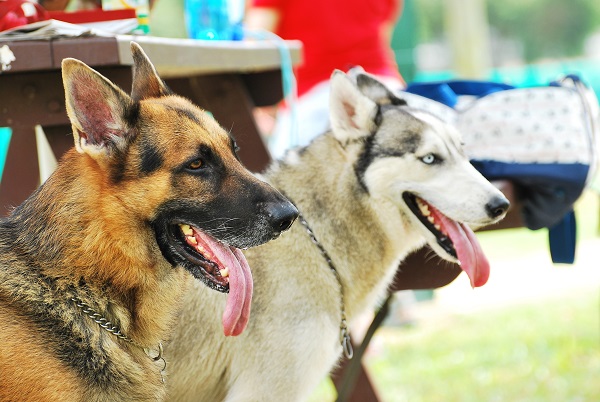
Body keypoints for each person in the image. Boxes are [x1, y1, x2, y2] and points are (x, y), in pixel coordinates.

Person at [245, 0, 406, 157]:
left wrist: (264, 109)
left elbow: (255, 49)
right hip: (385, 87)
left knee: (276, 176)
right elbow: (384, 34)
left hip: (313, 98)